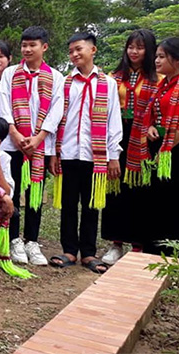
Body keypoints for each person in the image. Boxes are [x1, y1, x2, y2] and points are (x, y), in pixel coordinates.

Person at [49, 33, 122, 274]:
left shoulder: (108, 83)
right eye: (71, 51)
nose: (74, 55)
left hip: (95, 155)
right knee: (69, 204)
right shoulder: (65, 82)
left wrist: (113, 155)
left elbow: (113, 121)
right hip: (68, 152)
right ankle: (69, 250)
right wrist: (54, 153)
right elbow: (57, 117)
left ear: (93, 50)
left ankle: (89, 253)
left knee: (91, 206)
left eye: (79, 49)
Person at [0, 26, 64, 266]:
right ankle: (14, 238)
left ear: (44, 47)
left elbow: (57, 110)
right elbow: (3, 104)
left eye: (32, 45)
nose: (27, 49)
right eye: (24, 45)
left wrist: (38, 138)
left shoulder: (56, 77)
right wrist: (13, 132)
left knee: (35, 193)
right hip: (12, 144)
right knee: (11, 190)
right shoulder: (10, 74)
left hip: (39, 146)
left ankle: (32, 240)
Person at [101, 29, 161, 265]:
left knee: (140, 191)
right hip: (117, 136)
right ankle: (116, 243)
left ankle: (138, 243)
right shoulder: (112, 78)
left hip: (144, 141)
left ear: (150, 51)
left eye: (140, 47)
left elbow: (162, 112)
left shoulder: (158, 79)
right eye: (130, 47)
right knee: (115, 189)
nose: (134, 52)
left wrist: (152, 127)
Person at [143, 37, 179, 254]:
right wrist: (149, 128)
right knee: (156, 200)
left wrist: (165, 150)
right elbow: (152, 115)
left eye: (160, 56)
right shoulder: (161, 86)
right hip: (158, 147)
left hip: (178, 151)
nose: (156, 61)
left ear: (175, 60)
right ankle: (154, 248)